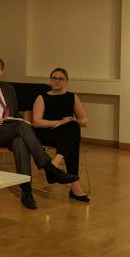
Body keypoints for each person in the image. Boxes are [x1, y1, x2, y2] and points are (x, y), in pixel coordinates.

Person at [0, 54, 78, 210]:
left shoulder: (8, 89)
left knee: (20, 141)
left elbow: (14, 114)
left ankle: (26, 190)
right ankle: (50, 169)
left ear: (2, 71)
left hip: (9, 128)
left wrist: (23, 121)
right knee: (21, 128)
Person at [32, 67, 90, 202]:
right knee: (72, 138)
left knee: (73, 128)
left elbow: (84, 118)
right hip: (46, 132)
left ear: (66, 81)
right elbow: (36, 122)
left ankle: (52, 167)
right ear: (50, 80)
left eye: (60, 78)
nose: (57, 81)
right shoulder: (42, 97)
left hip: (65, 134)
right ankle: (74, 187)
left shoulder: (72, 97)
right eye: (54, 78)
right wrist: (60, 122)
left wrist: (79, 121)